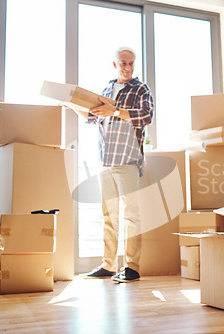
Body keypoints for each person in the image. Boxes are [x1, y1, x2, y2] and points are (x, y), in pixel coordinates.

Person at [78, 46, 154, 283]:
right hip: (106, 161)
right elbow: (92, 117)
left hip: (127, 160)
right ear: (115, 64)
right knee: (109, 215)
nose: (128, 67)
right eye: (123, 63)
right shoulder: (106, 90)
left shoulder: (141, 88)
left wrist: (116, 110)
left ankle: (132, 267)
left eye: (131, 63)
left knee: (131, 215)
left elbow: (146, 115)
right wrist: (72, 105)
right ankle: (108, 265)